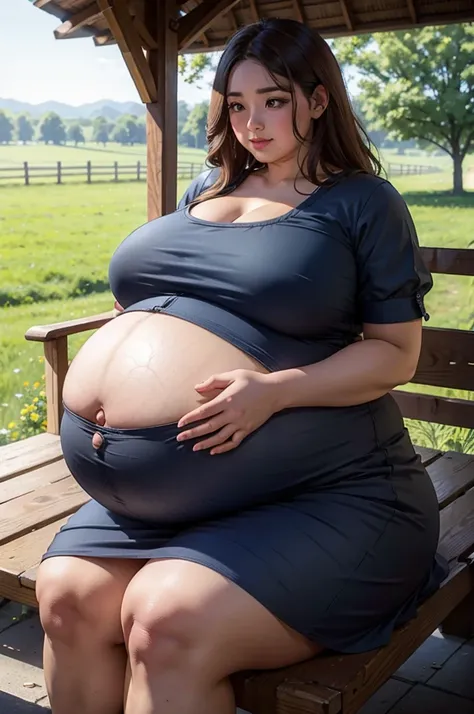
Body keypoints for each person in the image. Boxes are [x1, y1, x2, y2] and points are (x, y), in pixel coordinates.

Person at [36, 17, 448, 714]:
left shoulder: (361, 203)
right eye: (237, 102)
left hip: (327, 492)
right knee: (69, 599)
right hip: (177, 500)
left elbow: (396, 354)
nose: (253, 121)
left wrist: (273, 392)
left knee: (166, 622)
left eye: (275, 99)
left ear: (318, 100)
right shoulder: (205, 188)